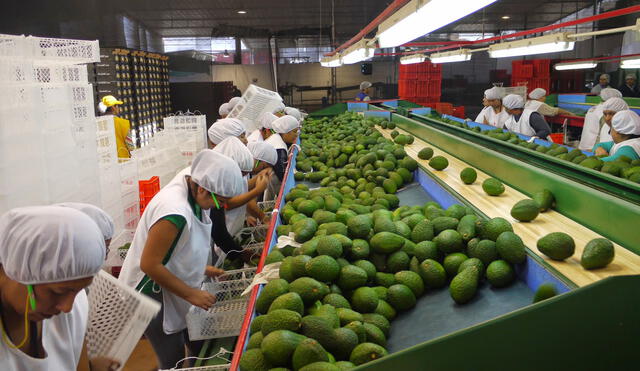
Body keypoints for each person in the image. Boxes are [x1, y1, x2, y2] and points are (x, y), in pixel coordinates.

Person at [118, 150, 243, 369]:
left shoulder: (193, 179)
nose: (220, 207)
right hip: (148, 292)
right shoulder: (173, 212)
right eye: (220, 201)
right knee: (173, 358)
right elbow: (150, 264)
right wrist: (191, 293)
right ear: (203, 188)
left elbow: (176, 247)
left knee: (192, 341)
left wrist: (200, 268)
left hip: (166, 280)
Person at [0, 206, 117, 371]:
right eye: (57, 292)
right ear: (17, 271)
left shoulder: (75, 307)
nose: (67, 307)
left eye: (78, 291)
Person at [213, 137, 270, 236]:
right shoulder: (218, 180)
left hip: (233, 228)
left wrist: (258, 178)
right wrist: (256, 191)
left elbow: (241, 188)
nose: (246, 140)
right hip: (224, 231)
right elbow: (227, 204)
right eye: (243, 173)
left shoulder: (235, 167)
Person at [264, 115, 300, 200]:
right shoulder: (279, 147)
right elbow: (282, 174)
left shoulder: (276, 138)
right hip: (269, 181)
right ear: (286, 132)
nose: (296, 135)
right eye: (294, 132)